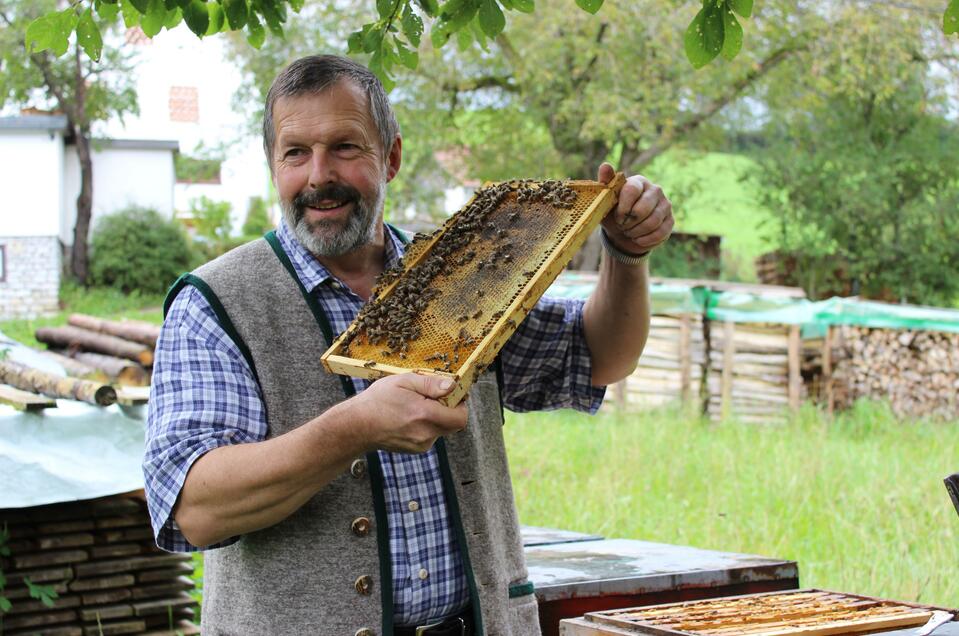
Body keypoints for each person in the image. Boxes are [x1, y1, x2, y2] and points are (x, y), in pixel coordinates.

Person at [144, 54, 673, 636]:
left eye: (345, 147)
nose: (318, 175)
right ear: (274, 165)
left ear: (391, 157)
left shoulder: (459, 271)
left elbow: (598, 357)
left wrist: (627, 255)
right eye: (296, 153)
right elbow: (194, 508)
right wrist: (354, 427)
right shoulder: (215, 302)